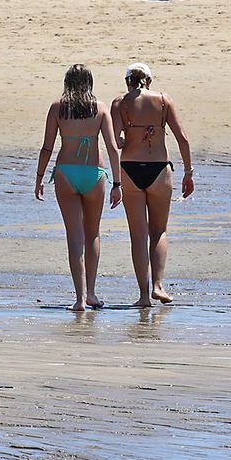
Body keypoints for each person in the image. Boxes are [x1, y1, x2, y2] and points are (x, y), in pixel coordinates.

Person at [34, 64, 122, 312]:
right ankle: (92, 293)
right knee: (92, 233)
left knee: (74, 235)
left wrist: (39, 176)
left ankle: (80, 299)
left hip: (66, 173)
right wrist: (117, 183)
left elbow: (47, 148)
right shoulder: (100, 108)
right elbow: (113, 148)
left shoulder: (57, 108)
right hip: (94, 173)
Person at [111, 63, 194, 308]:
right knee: (159, 231)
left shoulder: (120, 103)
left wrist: (126, 137)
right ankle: (159, 285)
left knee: (138, 236)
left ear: (128, 82)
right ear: (148, 80)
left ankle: (143, 296)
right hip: (159, 170)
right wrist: (188, 172)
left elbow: (116, 141)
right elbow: (183, 138)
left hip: (130, 170)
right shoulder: (163, 100)